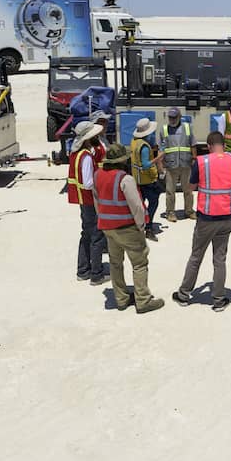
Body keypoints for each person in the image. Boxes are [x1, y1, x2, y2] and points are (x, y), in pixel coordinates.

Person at [92, 144, 165, 314]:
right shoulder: (125, 179)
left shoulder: (97, 175)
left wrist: (103, 218)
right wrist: (141, 226)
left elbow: (97, 201)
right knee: (139, 263)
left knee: (115, 263)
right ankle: (143, 300)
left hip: (107, 227)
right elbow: (137, 206)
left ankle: (121, 298)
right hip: (127, 227)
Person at [173, 131, 231, 312]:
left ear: (209, 146)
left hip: (206, 217)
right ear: (224, 145)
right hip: (227, 217)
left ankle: (184, 294)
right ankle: (219, 299)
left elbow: (191, 187)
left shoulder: (202, 162)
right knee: (220, 259)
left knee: (196, 256)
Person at [66, 120, 108, 284]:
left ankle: (83, 270)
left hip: (83, 200)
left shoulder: (76, 153)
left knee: (86, 234)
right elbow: (88, 182)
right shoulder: (86, 157)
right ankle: (96, 274)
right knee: (97, 236)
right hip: (91, 201)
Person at [129, 118, 163, 241]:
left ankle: (138, 225)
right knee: (153, 202)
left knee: (139, 204)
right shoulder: (144, 147)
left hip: (137, 178)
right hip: (147, 180)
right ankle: (148, 226)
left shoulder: (134, 142)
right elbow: (146, 165)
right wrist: (158, 158)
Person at [160, 107, 196, 221]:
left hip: (186, 163)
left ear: (179, 117)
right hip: (171, 165)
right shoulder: (164, 129)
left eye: (174, 117)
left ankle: (189, 211)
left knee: (188, 189)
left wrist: (194, 159)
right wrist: (160, 164)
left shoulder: (187, 127)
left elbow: (193, 144)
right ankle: (170, 212)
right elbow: (161, 148)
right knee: (170, 191)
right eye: (170, 117)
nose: (172, 120)